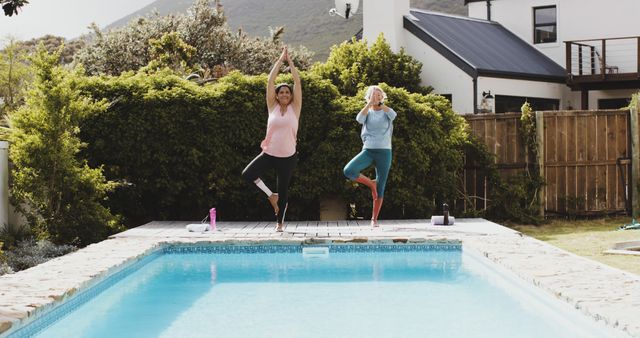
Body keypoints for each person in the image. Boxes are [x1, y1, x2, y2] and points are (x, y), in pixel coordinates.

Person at [242, 46, 301, 232]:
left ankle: (279, 224)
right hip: (269, 153)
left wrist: (290, 63)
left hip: (288, 157)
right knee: (247, 174)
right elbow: (270, 81)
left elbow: (297, 83)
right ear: (276, 95)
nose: (284, 94)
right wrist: (279, 60)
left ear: (291, 96)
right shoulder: (272, 107)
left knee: (283, 190)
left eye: (287, 92)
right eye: (281, 92)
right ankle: (270, 195)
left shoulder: (295, 108)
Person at [343, 85, 396, 227]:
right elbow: (359, 119)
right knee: (349, 170)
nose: (376, 97)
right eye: (373, 95)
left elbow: (393, 115)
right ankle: (371, 183)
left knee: (381, 187)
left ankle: (374, 220)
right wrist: (369, 104)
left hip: (384, 152)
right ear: (368, 97)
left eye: (379, 95)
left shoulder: (386, 111)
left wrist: (380, 104)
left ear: (382, 97)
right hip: (368, 150)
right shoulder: (367, 112)